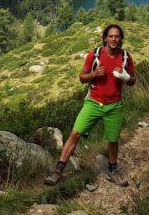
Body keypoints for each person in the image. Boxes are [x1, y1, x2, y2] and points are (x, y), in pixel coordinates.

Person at [44, 23, 136, 187]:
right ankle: (58, 171)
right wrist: (94, 74)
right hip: (93, 102)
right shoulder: (95, 54)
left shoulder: (126, 57)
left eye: (117, 36)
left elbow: (133, 81)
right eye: (111, 36)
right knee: (75, 134)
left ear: (121, 39)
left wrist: (126, 77)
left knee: (113, 140)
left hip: (114, 105)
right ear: (105, 38)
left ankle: (113, 171)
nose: (114, 39)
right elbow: (82, 77)